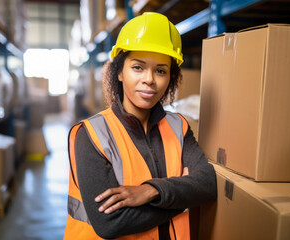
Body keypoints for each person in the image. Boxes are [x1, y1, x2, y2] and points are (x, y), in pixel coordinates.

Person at [64, 12, 217, 240]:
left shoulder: (179, 126)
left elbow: (208, 183)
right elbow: (109, 223)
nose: (149, 79)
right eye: (138, 67)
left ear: (170, 79)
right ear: (119, 73)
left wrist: (151, 191)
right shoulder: (92, 135)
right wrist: (184, 198)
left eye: (161, 70)